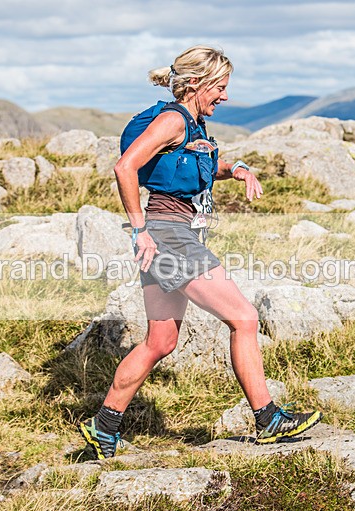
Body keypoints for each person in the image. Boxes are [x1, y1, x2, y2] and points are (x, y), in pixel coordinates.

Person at [78, 45, 321, 460]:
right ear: (196, 84)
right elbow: (125, 167)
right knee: (244, 318)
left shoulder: (194, 126)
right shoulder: (174, 120)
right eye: (220, 87)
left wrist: (237, 168)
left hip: (170, 234)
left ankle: (102, 429)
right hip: (169, 235)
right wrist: (140, 231)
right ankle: (268, 419)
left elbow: (205, 165)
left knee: (160, 340)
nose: (224, 96)